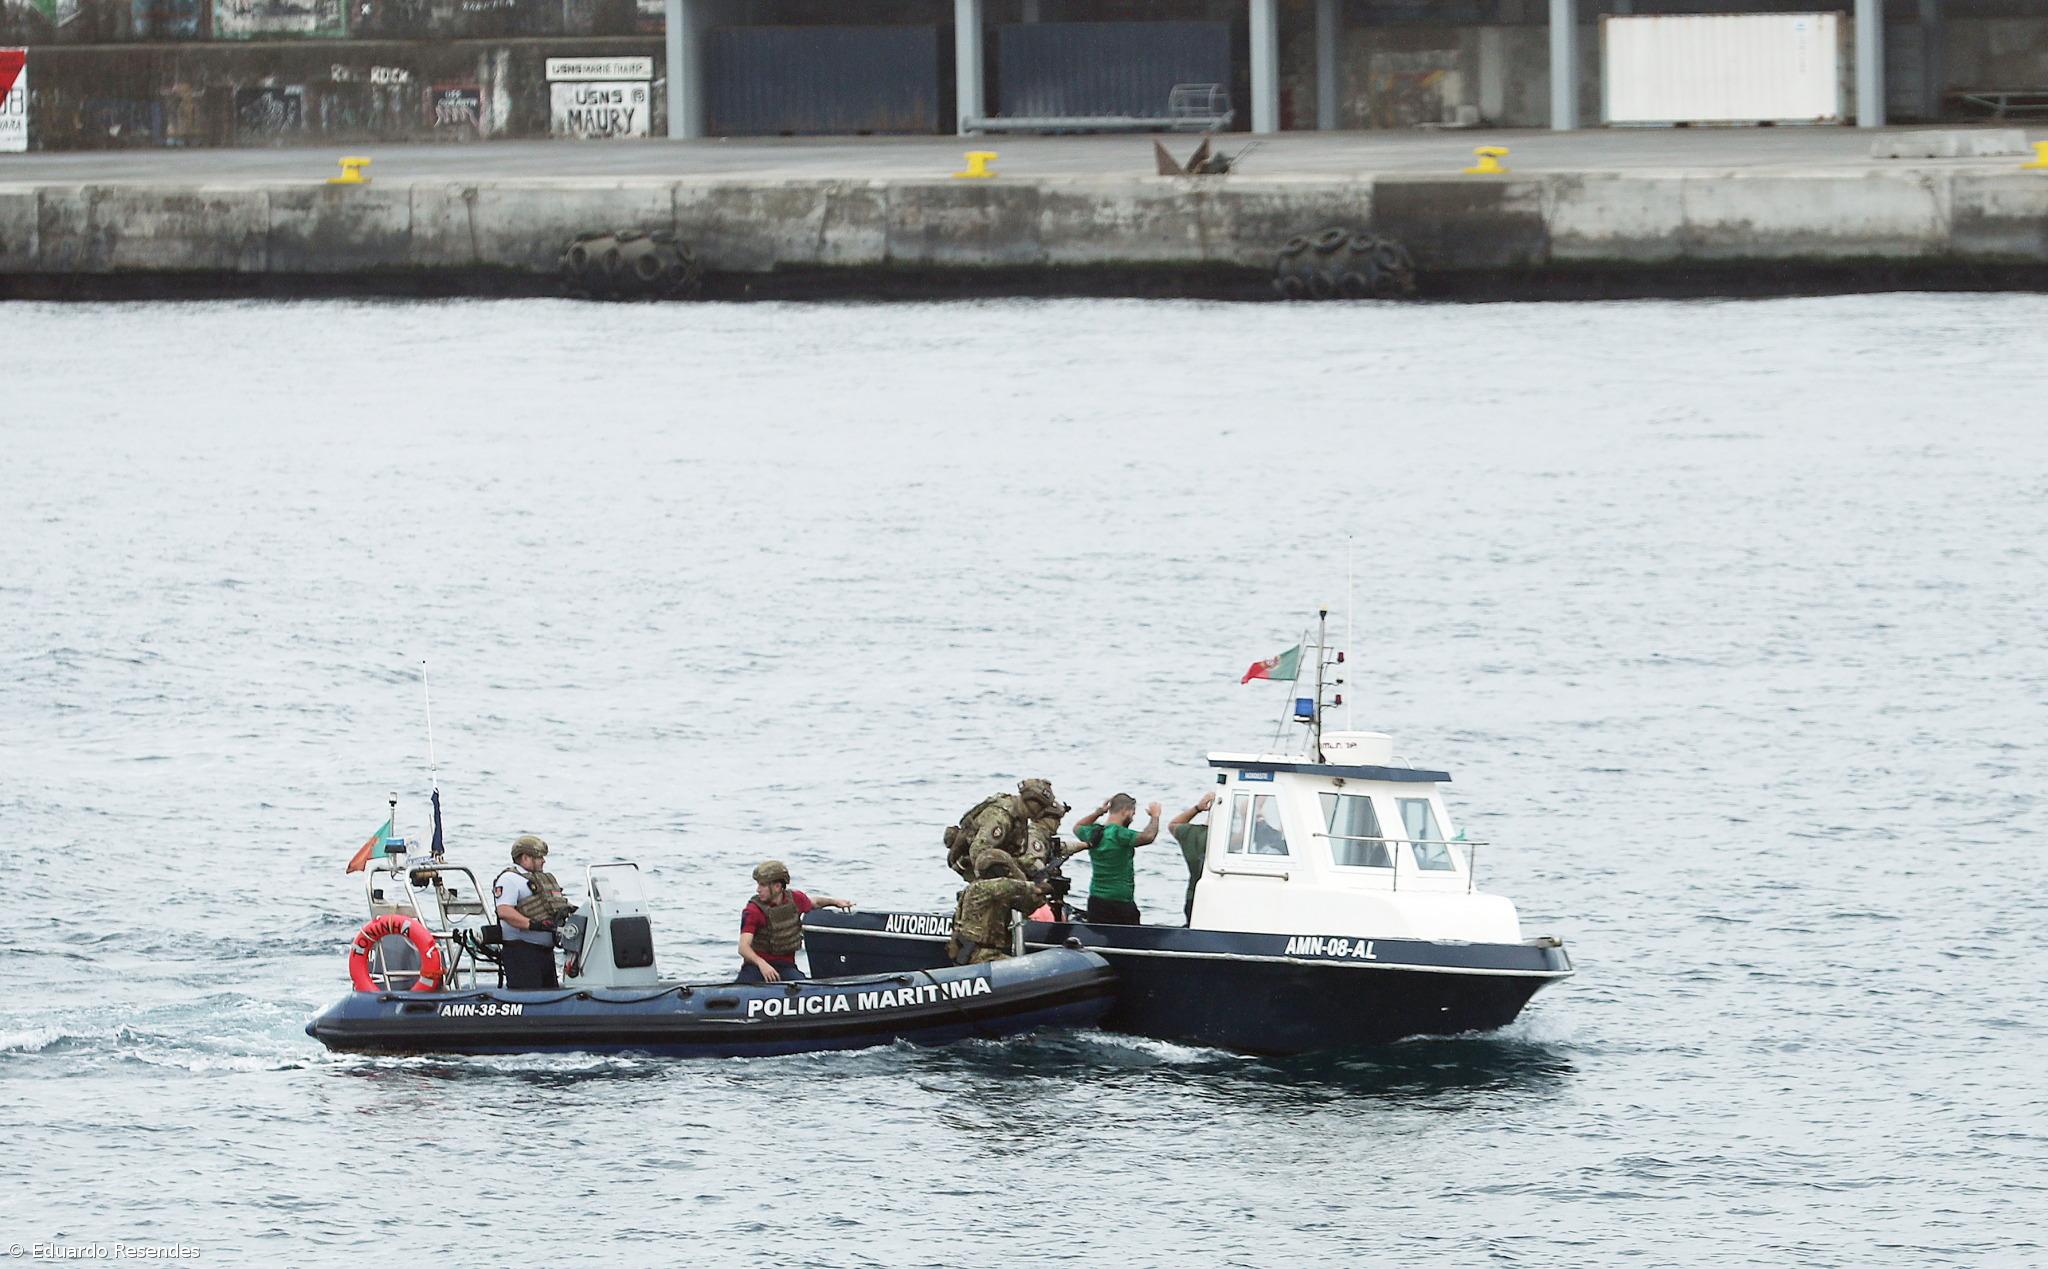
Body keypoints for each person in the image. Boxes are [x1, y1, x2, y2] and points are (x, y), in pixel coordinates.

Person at [738, 859, 854, 983]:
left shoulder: (795, 900)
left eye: (763, 885)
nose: (758, 890)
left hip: (785, 966)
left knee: (804, 987)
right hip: (756, 967)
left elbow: (815, 902)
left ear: (777, 887)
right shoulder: (753, 910)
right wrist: (762, 964)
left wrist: (836, 902)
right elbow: (743, 948)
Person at [944, 778, 1069, 883]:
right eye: (1041, 807)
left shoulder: (1019, 815)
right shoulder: (1001, 818)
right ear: (1033, 804)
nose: (1042, 812)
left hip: (994, 862)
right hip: (972, 863)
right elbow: (978, 851)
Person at [494, 835, 573, 989]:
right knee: (529, 996)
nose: (544, 861)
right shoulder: (509, 879)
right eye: (539, 857)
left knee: (550, 996)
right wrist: (533, 924)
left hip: (545, 953)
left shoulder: (540, 879)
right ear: (525, 858)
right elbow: (504, 911)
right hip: (522, 953)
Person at [1069, 793, 1160, 925]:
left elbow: (1077, 827)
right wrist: (1155, 816)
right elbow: (1148, 836)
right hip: (1120, 902)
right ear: (1125, 811)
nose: (1132, 818)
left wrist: (1099, 812)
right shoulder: (1120, 834)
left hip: (1096, 899)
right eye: (1132, 814)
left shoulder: (1094, 832)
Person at [947, 863, 1048, 965]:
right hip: (979, 954)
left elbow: (1025, 907)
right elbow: (1006, 885)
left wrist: (1041, 896)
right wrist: (1035, 886)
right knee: (1026, 968)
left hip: (987, 953)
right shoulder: (980, 888)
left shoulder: (999, 895)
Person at [1168, 791, 1216, 925]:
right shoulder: (1224, 840)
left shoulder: (1189, 833)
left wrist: (1198, 808)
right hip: (1215, 898)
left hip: (1192, 896)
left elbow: (1173, 824)